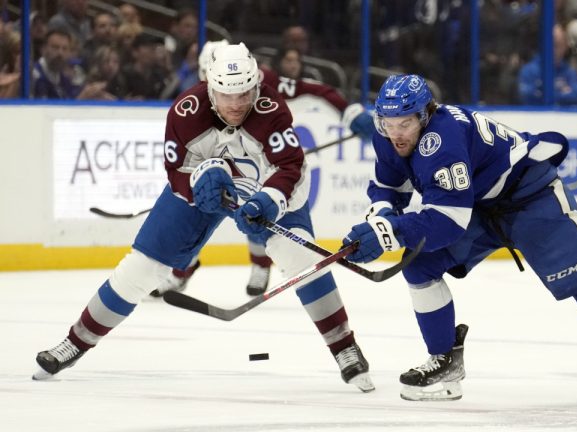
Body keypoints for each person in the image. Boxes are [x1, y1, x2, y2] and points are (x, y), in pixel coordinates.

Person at [341, 74, 577, 401]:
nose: (396, 134)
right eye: (388, 123)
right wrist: (381, 218)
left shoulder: (442, 140)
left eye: (405, 124)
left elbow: (449, 223)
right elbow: (387, 187)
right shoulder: (388, 135)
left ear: (426, 115)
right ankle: (445, 359)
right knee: (420, 265)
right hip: (484, 205)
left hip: (532, 198)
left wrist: (389, 234)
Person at [33, 42, 375, 393]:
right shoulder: (185, 112)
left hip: (263, 185)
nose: (237, 104)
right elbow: (176, 171)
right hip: (205, 186)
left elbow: (290, 167)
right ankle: (75, 341)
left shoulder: (271, 109)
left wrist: (269, 200)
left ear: (256, 84)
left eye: (244, 93)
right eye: (227, 95)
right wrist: (199, 183)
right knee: (142, 267)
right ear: (210, 87)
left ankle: (344, 348)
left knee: (301, 258)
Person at [151, 40, 376, 298]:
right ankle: (181, 271)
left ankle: (260, 265)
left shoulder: (260, 81)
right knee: (195, 212)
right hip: (212, 162)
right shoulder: (195, 99)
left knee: (255, 208)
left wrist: (350, 112)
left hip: (256, 160)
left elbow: (314, 90)